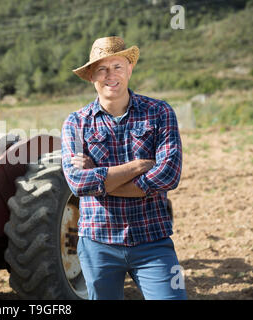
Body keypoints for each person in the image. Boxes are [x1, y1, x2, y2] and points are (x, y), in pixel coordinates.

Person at [61, 36, 186, 300]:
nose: (110, 75)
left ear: (129, 69)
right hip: (98, 243)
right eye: (102, 69)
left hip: (152, 239)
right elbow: (78, 184)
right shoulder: (76, 123)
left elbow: (169, 174)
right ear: (91, 76)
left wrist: (102, 182)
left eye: (117, 66)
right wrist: (137, 166)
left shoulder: (160, 112)